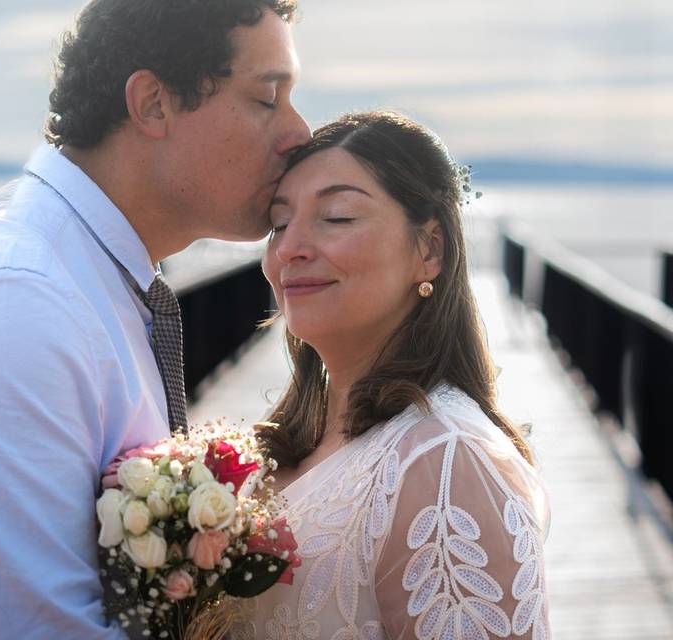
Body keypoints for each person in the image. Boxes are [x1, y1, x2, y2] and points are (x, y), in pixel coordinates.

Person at [0, 1, 309, 637]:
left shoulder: (73, 276)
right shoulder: (9, 302)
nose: (299, 132)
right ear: (153, 104)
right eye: (267, 97)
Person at [230, 112, 551, 639]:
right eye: (280, 223)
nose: (290, 248)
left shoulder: (447, 463)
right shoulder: (294, 439)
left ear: (429, 250)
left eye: (336, 215)